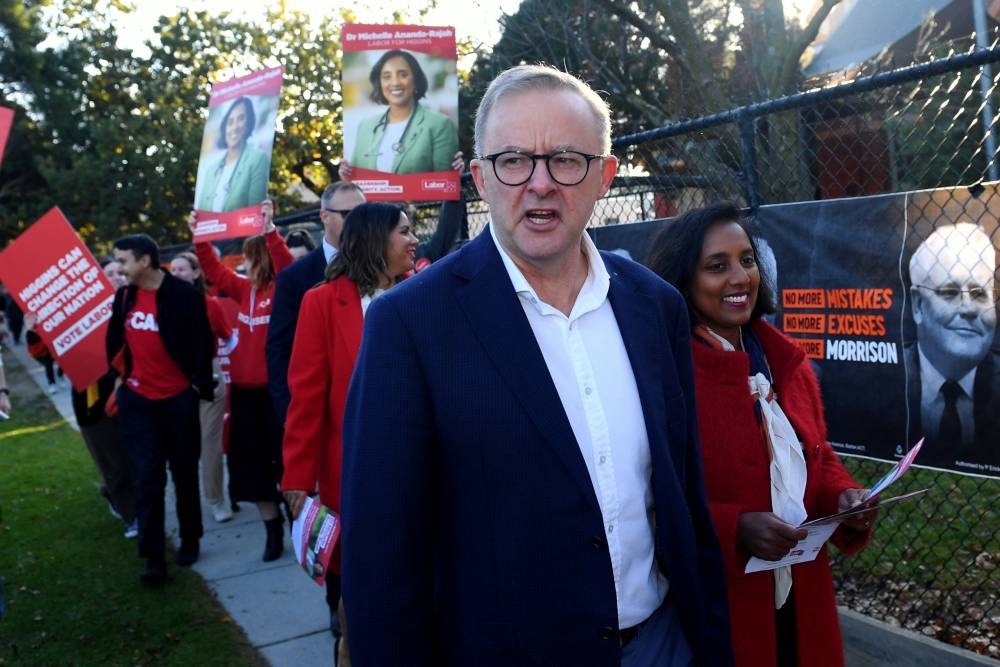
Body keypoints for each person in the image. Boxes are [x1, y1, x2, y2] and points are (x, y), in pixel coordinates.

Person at [341, 65, 733, 666]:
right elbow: (383, 552)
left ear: (604, 175)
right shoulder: (409, 323)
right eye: (514, 160)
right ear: (480, 177)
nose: (540, 184)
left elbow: (682, 493)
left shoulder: (655, 305)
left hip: (664, 643)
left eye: (567, 160)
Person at [646, 202, 876, 666]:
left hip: (802, 599)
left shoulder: (785, 362)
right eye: (717, 266)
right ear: (681, 280)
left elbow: (816, 453)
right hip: (721, 607)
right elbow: (649, 494)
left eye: (747, 260)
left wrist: (845, 498)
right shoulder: (665, 376)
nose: (739, 277)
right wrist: (734, 528)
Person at [282, 201, 418, 667]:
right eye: (404, 231)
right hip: (351, 479)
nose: (413, 240)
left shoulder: (420, 294)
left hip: (419, 476)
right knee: (354, 601)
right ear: (376, 239)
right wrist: (297, 479)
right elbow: (306, 397)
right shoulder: (321, 302)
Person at [106, 234, 216, 583]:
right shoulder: (124, 297)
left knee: (184, 474)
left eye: (123, 261)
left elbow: (203, 345)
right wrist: (122, 379)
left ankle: (190, 538)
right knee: (148, 477)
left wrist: (195, 388)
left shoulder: (183, 296)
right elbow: (113, 340)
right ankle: (153, 556)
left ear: (145, 261)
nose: (118, 268)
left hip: (177, 401)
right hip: (139, 403)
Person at [190, 201, 294, 561]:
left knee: (289, 465)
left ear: (260, 259)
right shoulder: (241, 289)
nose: (243, 265)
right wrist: (199, 236)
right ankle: (272, 530)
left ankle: (298, 523)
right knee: (252, 468)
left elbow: (287, 267)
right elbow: (213, 271)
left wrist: (270, 231)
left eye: (249, 258)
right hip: (246, 398)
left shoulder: (282, 290)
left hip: (278, 395)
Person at [266, 182, 366, 427]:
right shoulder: (295, 277)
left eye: (362, 213)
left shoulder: (385, 267)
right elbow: (279, 349)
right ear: (324, 216)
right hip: (318, 414)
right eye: (347, 215)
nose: (357, 222)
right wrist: (290, 413)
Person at [905, 222, 1000, 469]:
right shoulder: (880, 381)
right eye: (949, 292)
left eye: (980, 293)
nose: (968, 308)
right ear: (918, 305)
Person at [169, 251, 235, 522]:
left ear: (196, 273)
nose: (176, 274)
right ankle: (189, 503)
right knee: (181, 446)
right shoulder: (162, 306)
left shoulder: (210, 305)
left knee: (210, 444)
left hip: (208, 378)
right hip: (173, 382)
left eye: (182, 269)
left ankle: (216, 500)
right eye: (172, 269)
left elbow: (229, 338)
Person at [343, 49, 458, 175]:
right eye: (387, 76)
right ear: (380, 83)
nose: (395, 83)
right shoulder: (365, 127)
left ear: (415, 80)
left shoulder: (440, 125)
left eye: (403, 75)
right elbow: (356, 182)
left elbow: (445, 186)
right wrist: (345, 175)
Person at [196, 96, 269, 213]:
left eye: (241, 119)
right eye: (230, 122)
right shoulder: (211, 170)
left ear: (248, 123)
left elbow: (254, 214)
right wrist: (196, 224)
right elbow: (203, 214)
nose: (234, 127)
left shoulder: (257, 159)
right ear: (224, 127)